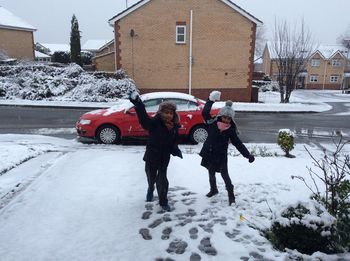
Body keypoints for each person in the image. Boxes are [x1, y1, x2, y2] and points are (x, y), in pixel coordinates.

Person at [128, 90, 182, 212]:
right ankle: (150, 188)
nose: (168, 115)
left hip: (164, 157)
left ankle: (163, 201)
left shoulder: (174, 126)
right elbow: (144, 120)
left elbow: (173, 140)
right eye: (166, 112)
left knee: (162, 179)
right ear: (160, 112)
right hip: (152, 156)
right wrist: (138, 104)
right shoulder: (154, 123)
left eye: (171, 113)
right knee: (151, 177)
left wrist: (175, 149)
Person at [199, 90, 255, 206]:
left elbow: (238, 143)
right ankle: (213, 189)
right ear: (220, 116)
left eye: (228, 119)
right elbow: (205, 112)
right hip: (209, 153)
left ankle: (231, 195)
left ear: (231, 120)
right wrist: (210, 100)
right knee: (210, 172)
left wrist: (247, 155)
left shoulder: (230, 130)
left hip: (220, 156)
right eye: (224, 117)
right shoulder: (212, 123)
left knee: (225, 175)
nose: (226, 120)